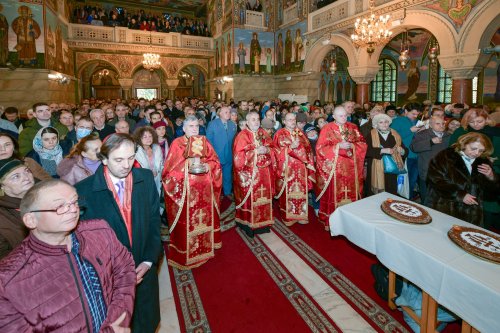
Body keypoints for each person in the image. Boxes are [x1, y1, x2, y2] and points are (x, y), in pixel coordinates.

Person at [0, 179, 136, 332]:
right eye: (60, 206)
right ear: (31, 220)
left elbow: (124, 270)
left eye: (74, 202)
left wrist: (118, 320)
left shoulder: (100, 231)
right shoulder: (7, 279)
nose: (72, 210)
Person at [75, 133, 162, 333]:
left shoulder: (146, 179)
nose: (126, 165)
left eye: (131, 158)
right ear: (104, 159)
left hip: (143, 266)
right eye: (119, 159)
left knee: (146, 320)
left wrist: (149, 260)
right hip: (111, 277)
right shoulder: (83, 191)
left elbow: (154, 222)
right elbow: (85, 245)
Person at [162, 116, 222, 269]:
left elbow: (215, 162)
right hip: (186, 194)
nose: (194, 128)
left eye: (196, 126)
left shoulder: (204, 141)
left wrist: (208, 166)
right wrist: (187, 164)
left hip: (205, 191)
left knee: (204, 220)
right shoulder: (177, 144)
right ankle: (185, 253)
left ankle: (205, 248)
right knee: (187, 223)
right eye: (191, 126)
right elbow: (169, 172)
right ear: (184, 128)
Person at [426, 133, 499, 226]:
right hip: (445, 206)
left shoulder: (483, 162)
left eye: (481, 151)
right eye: (473, 149)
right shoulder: (446, 156)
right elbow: (435, 180)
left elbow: (490, 194)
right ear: (464, 144)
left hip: (472, 213)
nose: (476, 153)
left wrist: (491, 177)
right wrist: (459, 194)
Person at [315, 106, 367, 230]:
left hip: (351, 168)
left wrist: (352, 147)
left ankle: (350, 220)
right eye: (340, 116)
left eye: (345, 115)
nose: (344, 118)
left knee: (351, 193)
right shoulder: (327, 129)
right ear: (333, 116)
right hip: (335, 168)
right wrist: (338, 146)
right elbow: (320, 149)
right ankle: (332, 220)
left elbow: (362, 143)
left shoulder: (353, 127)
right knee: (334, 194)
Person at [233, 111, 276, 237]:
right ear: (247, 122)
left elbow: (273, 148)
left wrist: (267, 149)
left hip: (265, 173)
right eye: (253, 119)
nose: (256, 122)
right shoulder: (242, 136)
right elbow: (238, 158)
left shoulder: (263, 133)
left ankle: (263, 223)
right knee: (251, 198)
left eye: (257, 119)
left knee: (264, 197)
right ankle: (248, 224)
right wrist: (255, 152)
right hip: (250, 174)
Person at [273, 113, 315, 226]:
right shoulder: (279, 134)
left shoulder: (300, 133)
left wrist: (308, 161)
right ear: (284, 121)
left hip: (301, 167)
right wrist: (290, 147)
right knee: (288, 191)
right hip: (287, 168)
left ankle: (301, 214)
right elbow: (276, 152)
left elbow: (308, 149)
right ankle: (288, 217)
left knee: (301, 190)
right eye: (289, 119)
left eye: (294, 119)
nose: (292, 121)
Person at [365, 114, 408, 196]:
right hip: (376, 167)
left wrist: (402, 151)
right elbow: (366, 151)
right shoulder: (371, 135)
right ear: (376, 124)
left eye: (386, 122)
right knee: (374, 194)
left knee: (390, 191)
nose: (384, 124)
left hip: (392, 169)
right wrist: (381, 150)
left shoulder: (395, 134)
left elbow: (405, 150)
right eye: (381, 122)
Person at [0, 158, 34, 259]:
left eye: (27, 171)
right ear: (2, 186)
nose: (26, 178)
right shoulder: (3, 217)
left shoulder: (46, 195)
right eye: (15, 177)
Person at [410, 116, 450, 203]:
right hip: (426, 170)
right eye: (438, 124)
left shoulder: (448, 136)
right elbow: (414, 147)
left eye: (443, 123)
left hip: (442, 172)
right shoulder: (422, 134)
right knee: (426, 198)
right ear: (431, 125)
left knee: (440, 198)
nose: (441, 126)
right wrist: (430, 142)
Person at [390, 103, 423, 199]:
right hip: (405, 155)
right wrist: (410, 130)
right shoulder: (397, 121)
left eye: (417, 114)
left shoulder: (418, 122)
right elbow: (393, 137)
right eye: (413, 114)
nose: (415, 116)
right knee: (403, 181)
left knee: (412, 180)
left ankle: (408, 198)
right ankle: (400, 198)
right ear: (406, 112)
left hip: (417, 154)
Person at [206, 106, 237, 198]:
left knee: (227, 175)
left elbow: (234, 140)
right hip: (217, 155)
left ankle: (227, 192)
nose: (228, 114)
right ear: (220, 113)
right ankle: (216, 193)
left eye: (229, 112)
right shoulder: (212, 124)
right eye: (226, 112)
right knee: (216, 175)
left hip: (229, 155)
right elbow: (208, 140)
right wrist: (212, 154)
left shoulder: (232, 124)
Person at [133, 126, 164, 195]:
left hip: (157, 180)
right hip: (142, 182)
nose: (148, 139)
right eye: (145, 137)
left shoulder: (157, 148)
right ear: (139, 138)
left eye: (150, 136)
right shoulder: (136, 151)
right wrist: (149, 174)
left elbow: (161, 164)